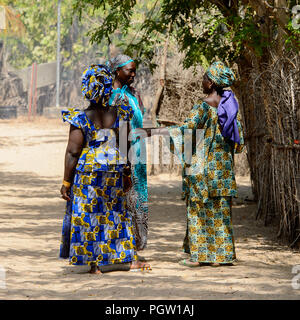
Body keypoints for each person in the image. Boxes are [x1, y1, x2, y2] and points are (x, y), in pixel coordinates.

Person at [59, 64, 150, 274]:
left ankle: (94, 265)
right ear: (107, 87)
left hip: (88, 174)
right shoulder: (118, 114)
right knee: (117, 213)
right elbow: (124, 145)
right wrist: (126, 173)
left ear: (88, 88)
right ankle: (129, 259)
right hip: (113, 170)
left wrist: (66, 182)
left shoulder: (81, 118)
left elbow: (73, 152)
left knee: (89, 215)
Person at [164, 61, 244, 267]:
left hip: (201, 170)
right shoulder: (231, 107)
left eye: (205, 78)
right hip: (223, 171)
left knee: (199, 212)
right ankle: (222, 256)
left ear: (212, 83)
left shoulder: (202, 107)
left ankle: (199, 257)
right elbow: (239, 143)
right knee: (221, 212)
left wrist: (168, 135)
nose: (202, 81)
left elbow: (186, 133)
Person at [106, 55, 148, 253]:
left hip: (138, 154)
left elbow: (139, 124)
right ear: (117, 71)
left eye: (134, 70)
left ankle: (135, 245)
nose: (133, 74)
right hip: (119, 154)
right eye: (129, 70)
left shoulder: (135, 94)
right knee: (120, 198)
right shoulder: (108, 96)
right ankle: (118, 247)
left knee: (137, 198)